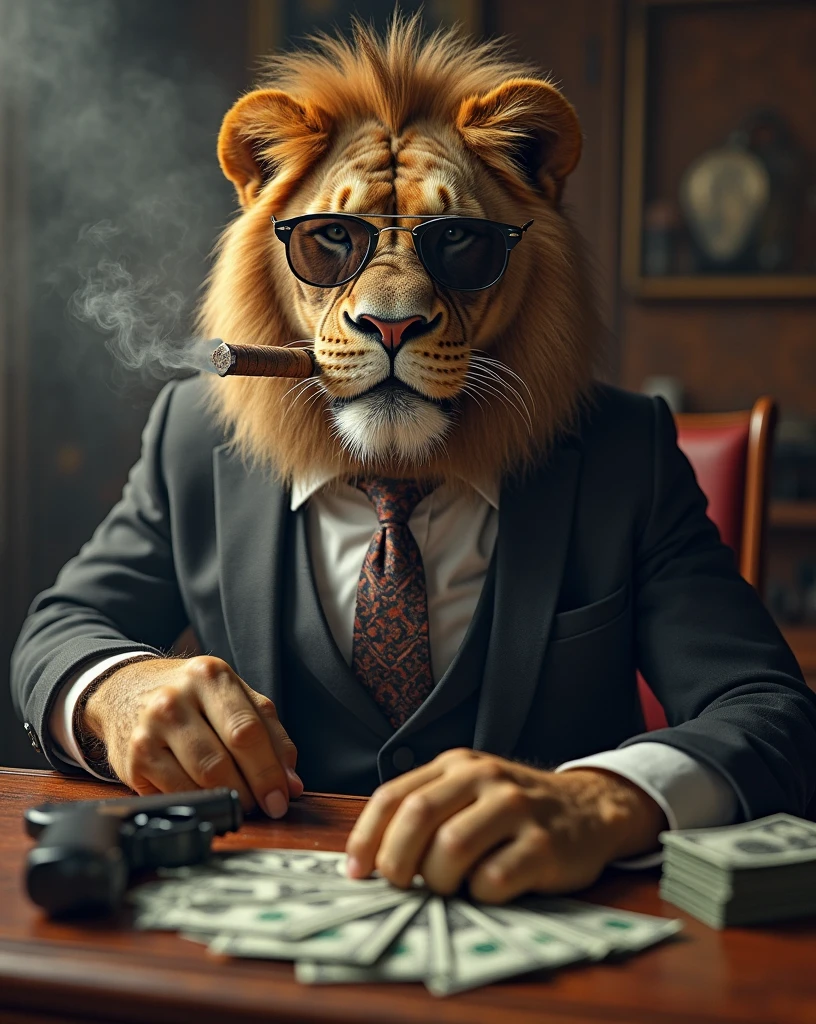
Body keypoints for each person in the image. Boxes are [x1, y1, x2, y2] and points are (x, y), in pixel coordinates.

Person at [11, 19, 816, 903]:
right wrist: (117, 692)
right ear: (268, 246)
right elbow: (57, 635)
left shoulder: (623, 456)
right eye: (329, 244)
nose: (392, 308)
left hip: (537, 923)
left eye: (461, 245)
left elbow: (775, 717)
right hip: (263, 918)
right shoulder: (194, 441)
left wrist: (598, 799)